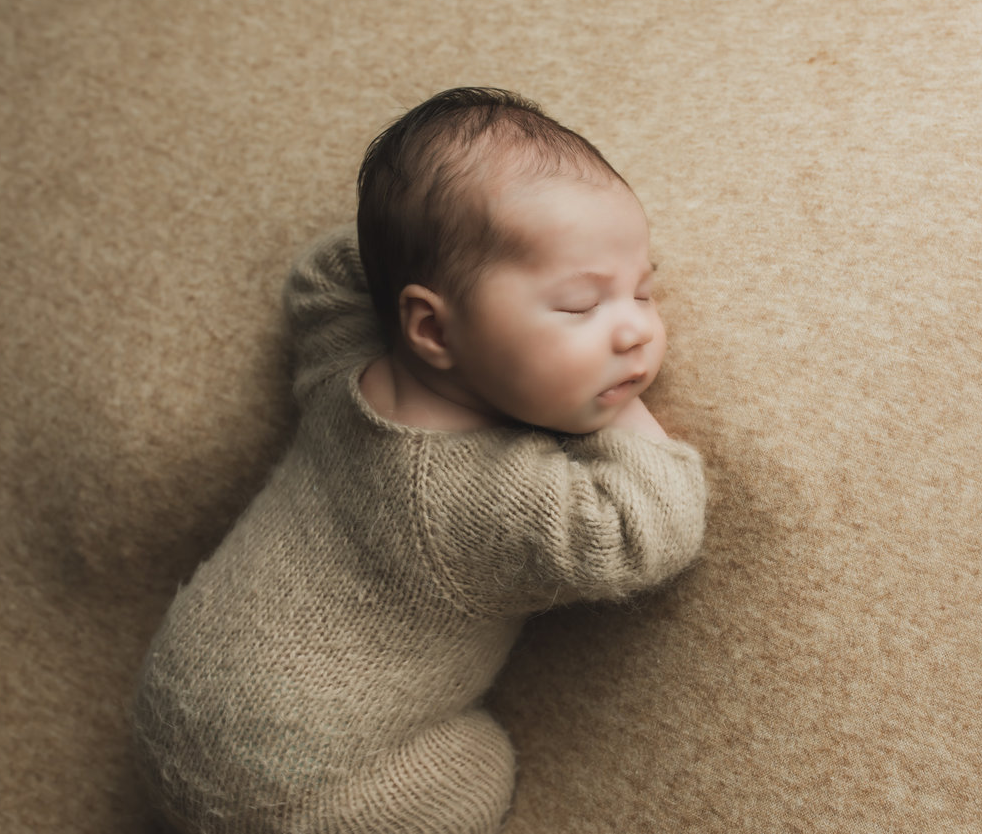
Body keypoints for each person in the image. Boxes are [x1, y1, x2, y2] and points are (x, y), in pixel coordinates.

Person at [133, 87, 706, 834]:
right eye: (578, 306)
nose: (634, 332)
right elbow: (641, 530)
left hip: (172, 702)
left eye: (642, 288)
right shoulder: (481, 500)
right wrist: (620, 405)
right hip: (297, 799)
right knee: (479, 762)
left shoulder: (339, 366)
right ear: (430, 325)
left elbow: (323, 276)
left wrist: (424, 240)